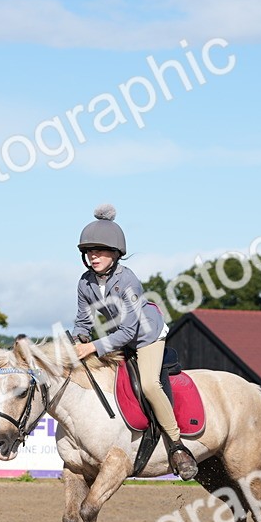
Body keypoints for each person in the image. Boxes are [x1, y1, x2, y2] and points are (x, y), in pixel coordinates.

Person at [70, 204, 198, 480]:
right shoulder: (85, 282)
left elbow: (129, 332)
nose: (93, 256)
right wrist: (80, 337)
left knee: (150, 385)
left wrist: (92, 346)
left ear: (116, 253)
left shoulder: (128, 281)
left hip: (146, 336)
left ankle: (177, 445)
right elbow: (83, 320)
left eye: (100, 251)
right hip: (119, 337)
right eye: (89, 251)